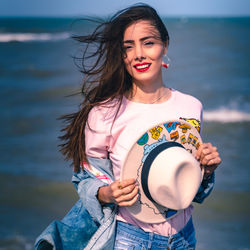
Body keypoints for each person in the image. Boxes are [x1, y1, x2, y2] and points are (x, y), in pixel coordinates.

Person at [35, 4, 221, 250]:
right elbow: (85, 179)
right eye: (128, 47)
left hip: (184, 239)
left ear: (165, 44)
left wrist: (206, 170)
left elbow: (191, 190)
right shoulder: (103, 114)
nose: (139, 54)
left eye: (148, 43)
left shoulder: (191, 107)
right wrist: (106, 194)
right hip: (130, 240)